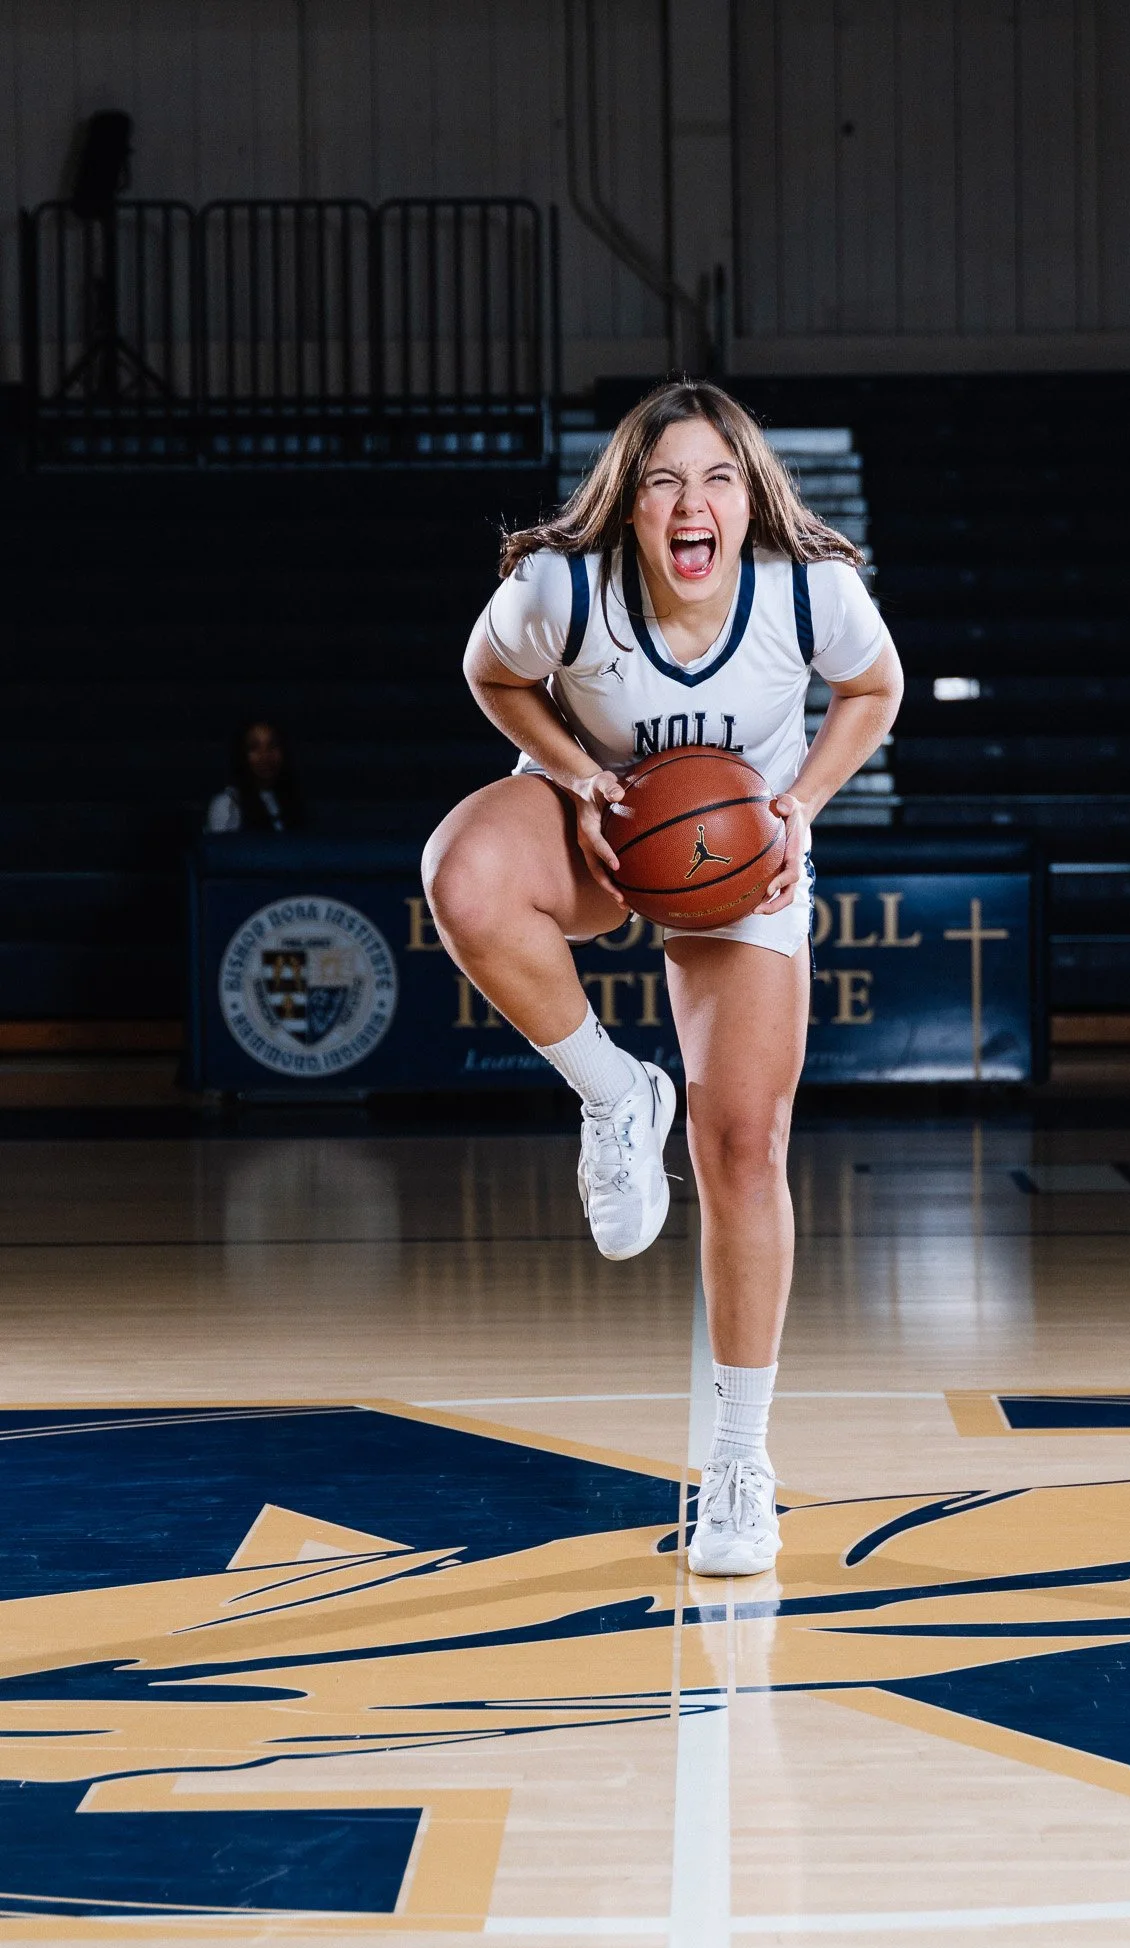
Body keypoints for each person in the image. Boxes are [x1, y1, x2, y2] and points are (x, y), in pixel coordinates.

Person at [422, 379, 903, 1575]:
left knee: (742, 1148)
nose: (693, 503)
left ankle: (739, 1467)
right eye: (664, 481)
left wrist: (797, 806)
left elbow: (875, 691)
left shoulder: (810, 591)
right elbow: (492, 676)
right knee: (463, 875)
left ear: (751, 501)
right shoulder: (559, 590)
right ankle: (609, 1090)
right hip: (611, 828)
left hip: (746, 865)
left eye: (718, 479)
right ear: (629, 507)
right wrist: (578, 774)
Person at [204, 719, 302, 834]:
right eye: (254, 747)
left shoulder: (293, 800)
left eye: (272, 745)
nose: (265, 756)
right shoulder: (227, 804)